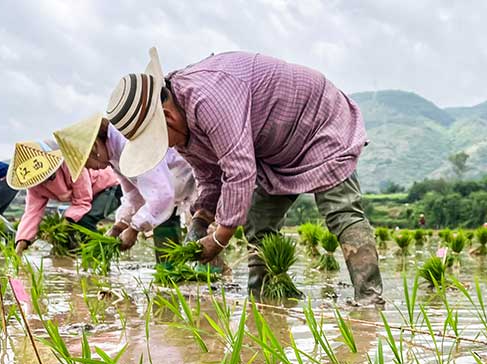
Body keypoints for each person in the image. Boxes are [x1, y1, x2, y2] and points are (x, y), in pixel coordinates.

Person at [106, 48, 383, 304]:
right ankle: (265, 299)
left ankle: (369, 301)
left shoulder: (208, 98)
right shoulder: (182, 129)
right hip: (273, 149)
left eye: (157, 139)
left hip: (317, 120)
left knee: (340, 211)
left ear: (167, 117)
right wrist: (201, 220)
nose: (165, 147)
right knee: (258, 221)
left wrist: (219, 238)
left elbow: (239, 171)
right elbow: (209, 176)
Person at [53, 114, 196, 260]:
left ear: (94, 147)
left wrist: (134, 229)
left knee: (201, 231)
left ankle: (208, 275)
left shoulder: (127, 145)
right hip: (176, 182)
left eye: (86, 163)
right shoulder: (113, 154)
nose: (89, 169)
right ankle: (172, 274)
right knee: (166, 221)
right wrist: (120, 224)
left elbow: (161, 195)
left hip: (195, 174)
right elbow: (134, 194)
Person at [6, 141, 122, 254]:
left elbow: (82, 201)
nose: (44, 182)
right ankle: (72, 257)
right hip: (92, 192)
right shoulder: (35, 185)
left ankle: (99, 255)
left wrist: (64, 224)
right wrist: (22, 241)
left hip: (110, 186)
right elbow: (32, 213)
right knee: (71, 227)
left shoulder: (71, 165)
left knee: (84, 220)